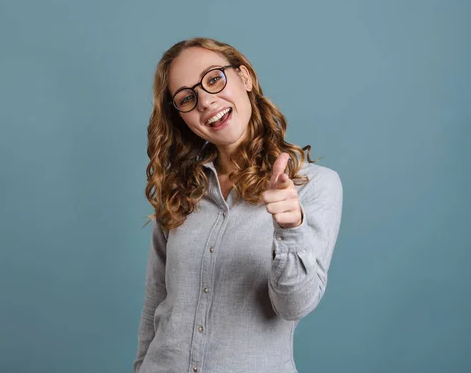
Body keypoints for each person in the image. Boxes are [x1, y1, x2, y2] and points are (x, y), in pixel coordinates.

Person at [133, 37, 343, 373]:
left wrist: (291, 230)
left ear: (244, 77)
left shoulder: (314, 186)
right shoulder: (180, 191)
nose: (205, 101)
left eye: (214, 79)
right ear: (181, 116)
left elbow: (294, 306)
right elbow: (155, 301)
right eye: (187, 98)